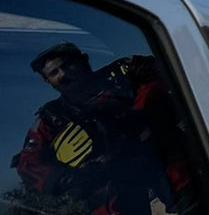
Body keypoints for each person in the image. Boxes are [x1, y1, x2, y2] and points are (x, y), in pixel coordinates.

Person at [14, 42, 196, 214]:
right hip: (109, 188)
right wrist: (70, 178)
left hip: (164, 163)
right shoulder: (51, 117)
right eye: (54, 73)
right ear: (48, 81)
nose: (63, 75)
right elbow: (27, 164)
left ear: (84, 60)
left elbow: (173, 72)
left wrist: (139, 115)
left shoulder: (123, 74)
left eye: (68, 65)